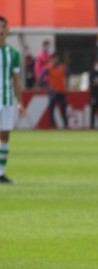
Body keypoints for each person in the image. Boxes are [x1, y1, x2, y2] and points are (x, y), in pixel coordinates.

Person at [0, 16, 24, 185]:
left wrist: (20, 102)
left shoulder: (13, 54)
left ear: (7, 29)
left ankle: (1, 173)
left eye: (3, 27)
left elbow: (16, 80)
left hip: (7, 100)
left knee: (5, 136)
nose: (0, 30)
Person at [45, 53, 68, 129]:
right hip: (53, 92)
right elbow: (41, 78)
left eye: (56, 58)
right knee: (52, 110)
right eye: (54, 58)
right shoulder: (49, 68)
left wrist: (67, 86)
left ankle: (65, 125)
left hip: (61, 91)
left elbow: (67, 77)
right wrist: (48, 85)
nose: (55, 60)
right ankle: (52, 125)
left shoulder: (63, 67)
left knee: (63, 109)